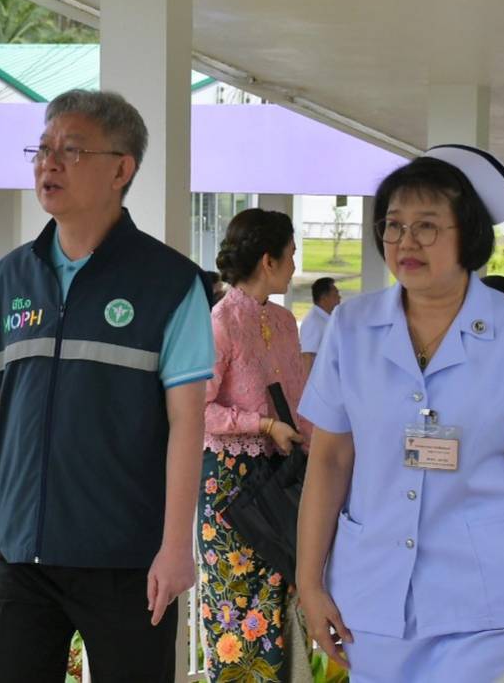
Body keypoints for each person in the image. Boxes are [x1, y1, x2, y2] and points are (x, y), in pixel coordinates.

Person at [296, 145, 504, 682]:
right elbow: (330, 459)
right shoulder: (351, 327)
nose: (406, 241)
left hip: (481, 605)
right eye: (394, 225)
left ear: (467, 234)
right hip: (370, 598)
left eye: (426, 226)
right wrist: (309, 582)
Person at [0, 89, 216, 683]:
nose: (48, 163)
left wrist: (175, 545)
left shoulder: (170, 284)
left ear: (121, 170)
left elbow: (188, 422)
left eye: (71, 150)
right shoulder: (7, 279)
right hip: (22, 552)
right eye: (43, 149)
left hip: (128, 558)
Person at [200, 208, 313, 680]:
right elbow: (197, 410)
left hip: (285, 474)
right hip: (230, 484)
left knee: (285, 596)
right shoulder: (220, 321)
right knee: (235, 606)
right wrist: (263, 425)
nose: (294, 264)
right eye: (291, 254)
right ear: (269, 260)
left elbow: (300, 398)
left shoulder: (285, 321)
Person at [299, 276, 342, 365]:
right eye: (335, 294)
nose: (339, 298)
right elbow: (307, 356)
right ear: (324, 298)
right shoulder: (313, 322)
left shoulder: (326, 319)